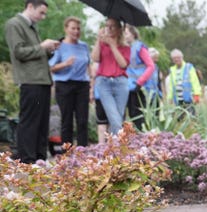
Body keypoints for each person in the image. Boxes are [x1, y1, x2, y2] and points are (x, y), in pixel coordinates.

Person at [4, 0, 60, 163]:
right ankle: (27, 160)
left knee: (42, 122)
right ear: (30, 7)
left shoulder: (31, 27)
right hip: (30, 80)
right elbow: (19, 52)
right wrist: (43, 46)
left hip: (42, 80)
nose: (43, 17)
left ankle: (40, 159)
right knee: (30, 121)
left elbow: (34, 55)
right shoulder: (14, 24)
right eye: (41, 12)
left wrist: (49, 50)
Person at [48, 16, 90, 148]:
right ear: (66, 29)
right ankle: (68, 155)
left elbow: (88, 65)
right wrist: (65, 64)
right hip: (65, 86)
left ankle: (83, 153)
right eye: (73, 28)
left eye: (78, 28)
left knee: (82, 121)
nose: (76, 31)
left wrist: (92, 83)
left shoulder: (84, 46)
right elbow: (51, 68)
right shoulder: (59, 46)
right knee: (67, 121)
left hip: (82, 86)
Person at [91, 18, 130, 135]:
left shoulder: (125, 47)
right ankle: (120, 143)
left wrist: (113, 45)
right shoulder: (102, 44)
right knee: (113, 115)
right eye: (107, 26)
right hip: (104, 83)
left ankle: (114, 147)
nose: (109, 29)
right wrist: (99, 39)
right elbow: (95, 58)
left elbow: (123, 64)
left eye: (112, 26)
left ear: (119, 30)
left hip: (121, 82)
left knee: (118, 115)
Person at [124, 24, 155, 130]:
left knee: (138, 115)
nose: (124, 35)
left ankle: (142, 138)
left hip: (138, 87)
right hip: (126, 86)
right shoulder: (125, 48)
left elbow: (151, 66)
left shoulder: (139, 47)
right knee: (130, 115)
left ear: (133, 34)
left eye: (126, 33)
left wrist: (139, 82)